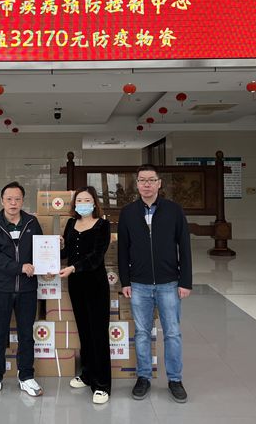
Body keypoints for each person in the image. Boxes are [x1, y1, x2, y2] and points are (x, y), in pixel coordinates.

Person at [118, 164, 192, 403]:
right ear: (137, 184)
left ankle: (175, 379)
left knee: (172, 333)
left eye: (151, 180)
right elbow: (122, 250)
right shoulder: (128, 212)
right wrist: (125, 281)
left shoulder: (174, 210)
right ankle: (143, 377)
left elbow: (185, 246)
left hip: (169, 282)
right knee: (141, 333)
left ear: (159, 183)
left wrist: (185, 281)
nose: (146, 184)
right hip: (139, 284)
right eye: (142, 180)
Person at [0, 181, 44, 398]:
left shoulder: (32, 222)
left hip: (27, 289)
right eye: (9, 199)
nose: (13, 203)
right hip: (1, 289)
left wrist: (54, 250)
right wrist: (19, 268)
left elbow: (40, 249)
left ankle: (26, 376)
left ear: (23, 201)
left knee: (26, 334)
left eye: (17, 199)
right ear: (2, 201)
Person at [60, 186, 112, 404]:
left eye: (87, 200)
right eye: (79, 200)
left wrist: (73, 268)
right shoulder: (71, 223)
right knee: (84, 330)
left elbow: (96, 257)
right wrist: (54, 248)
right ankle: (88, 374)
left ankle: (102, 384)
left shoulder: (103, 225)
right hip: (76, 284)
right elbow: (67, 253)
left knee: (98, 333)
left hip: (95, 284)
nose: (82, 203)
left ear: (94, 203)